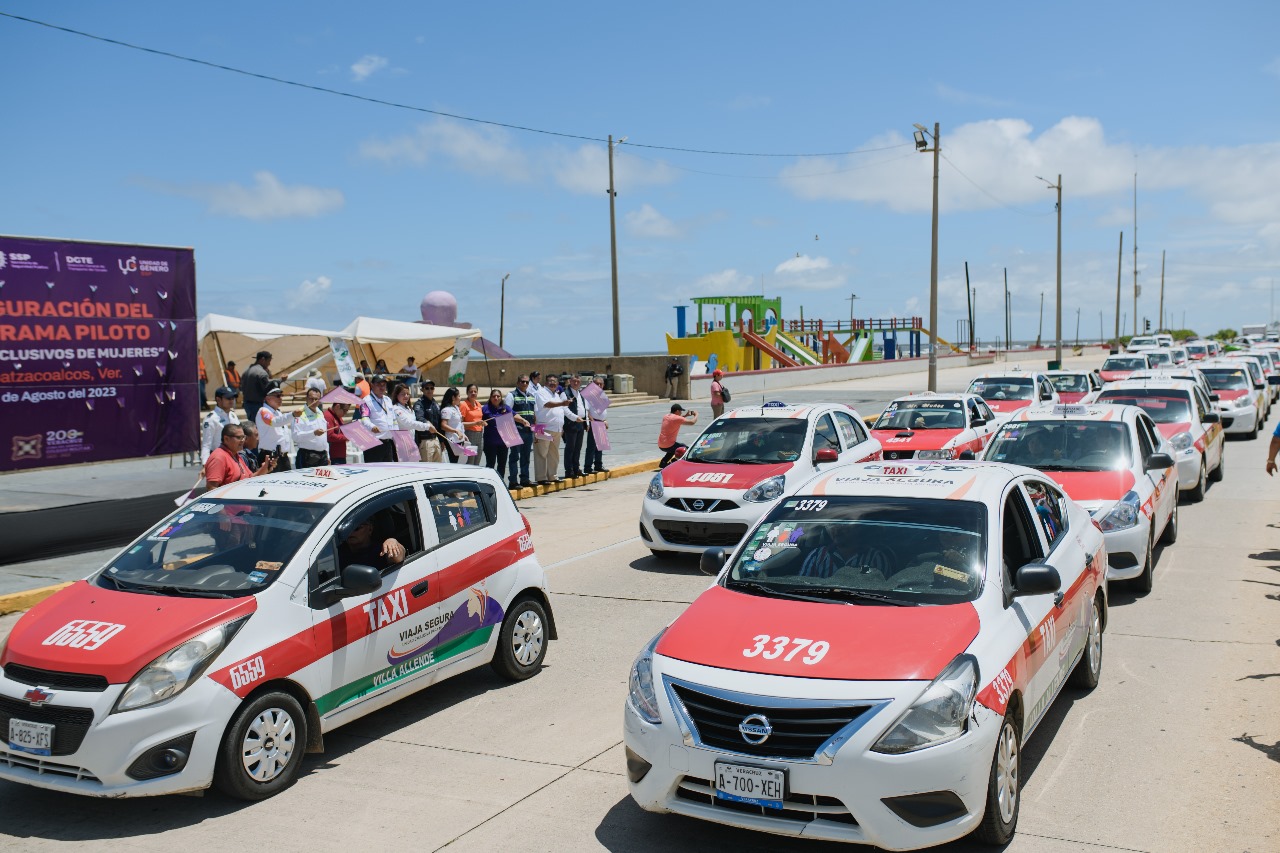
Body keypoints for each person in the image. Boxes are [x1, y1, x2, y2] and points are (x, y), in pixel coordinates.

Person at [205, 423, 274, 489]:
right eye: (239, 437)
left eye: (243, 437)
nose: (243, 440)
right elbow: (212, 488)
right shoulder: (218, 457)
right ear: (226, 439)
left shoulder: (235, 455)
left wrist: (265, 469)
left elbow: (249, 478)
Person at [534, 374, 571, 483]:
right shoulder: (541, 392)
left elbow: (559, 411)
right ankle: (541, 478)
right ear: (545, 383)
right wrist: (562, 403)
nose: (552, 383)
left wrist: (561, 426)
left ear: (558, 384)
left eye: (554, 382)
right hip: (543, 427)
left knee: (554, 454)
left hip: (556, 429)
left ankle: (552, 476)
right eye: (550, 381)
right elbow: (547, 404)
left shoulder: (556, 395)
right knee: (541, 453)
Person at [504, 375, 537, 489]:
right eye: (522, 382)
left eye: (527, 382)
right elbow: (506, 413)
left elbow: (534, 414)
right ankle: (513, 481)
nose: (524, 384)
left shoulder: (532, 396)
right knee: (514, 457)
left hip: (528, 432)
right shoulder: (511, 395)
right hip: (515, 431)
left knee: (526, 456)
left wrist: (535, 430)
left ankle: (525, 479)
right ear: (518, 382)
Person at [391, 382, 437, 459]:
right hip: (402, 443)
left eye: (407, 394)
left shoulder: (409, 408)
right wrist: (427, 426)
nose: (406, 396)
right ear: (397, 395)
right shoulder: (396, 409)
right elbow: (408, 423)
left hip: (411, 441)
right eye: (403, 394)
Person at [338, 517, 405, 570]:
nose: (350, 532)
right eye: (346, 530)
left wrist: (393, 542)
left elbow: (399, 558)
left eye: (356, 528)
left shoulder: (381, 550)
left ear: (370, 529)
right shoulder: (336, 552)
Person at [255, 387, 297, 472]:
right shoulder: (263, 411)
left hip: (283, 457)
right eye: (277, 396)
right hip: (270, 456)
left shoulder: (277, 412)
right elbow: (274, 422)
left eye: (281, 395)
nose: (280, 398)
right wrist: (292, 414)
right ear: (268, 398)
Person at [200, 386, 241, 465]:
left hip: (235, 458)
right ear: (218, 399)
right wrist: (205, 464)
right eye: (228, 398)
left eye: (233, 398)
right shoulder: (211, 419)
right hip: (220, 460)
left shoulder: (233, 415)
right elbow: (206, 445)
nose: (231, 400)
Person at [360, 375, 396, 462]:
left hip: (388, 443)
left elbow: (393, 419)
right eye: (379, 385)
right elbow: (364, 419)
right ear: (372, 385)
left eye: (383, 385)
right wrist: (372, 426)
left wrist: (397, 435)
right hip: (374, 444)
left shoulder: (388, 400)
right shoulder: (366, 401)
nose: (382, 387)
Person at [293, 387, 330, 468]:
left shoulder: (320, 412)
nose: (314, 401)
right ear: (306, 399)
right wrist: (313, 433)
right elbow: (296, 437)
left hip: (323, 456)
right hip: (307, 456)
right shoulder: (299, 413)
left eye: (316, 399)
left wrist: (328, 454)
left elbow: (324, 436)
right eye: (311, 399)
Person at [482, 389, 513, 473]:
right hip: (490, 443)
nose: (496, 398)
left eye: (498, 396)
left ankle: (500, 483)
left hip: (503, 442)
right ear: (490, 398)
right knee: (490, 464)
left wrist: (523, 421)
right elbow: (478, 420)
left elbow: (514, 415)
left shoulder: (506, 408)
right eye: (493, 396)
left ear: (501, 398)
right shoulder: (485, 408)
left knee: (502, 465)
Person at [413, 379, 445, 462]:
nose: (429, 390)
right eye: (427, 388)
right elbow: (419, 418)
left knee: (438, 469)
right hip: (425, 441)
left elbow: (439, 423)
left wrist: (441, 441)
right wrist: (427, 423)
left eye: (432, 388)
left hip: (436, 440)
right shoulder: (419, 404)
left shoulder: (435, 403)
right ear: (422, 390)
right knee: (426, 468)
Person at [561, 375, 587, 478]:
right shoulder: (565, 393)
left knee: (578, 448)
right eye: (574, 381)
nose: (576, 383)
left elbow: (584, 408)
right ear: (570, 382)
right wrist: (574, 417)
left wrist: (586, 423)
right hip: (571, 424)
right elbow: (564, 409)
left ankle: (576, 468)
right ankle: (569, 470)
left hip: (580, 424)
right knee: (570, 448)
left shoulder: (580, 394)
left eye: (578, 381)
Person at [658, 404, 699, 468]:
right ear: (677, 411)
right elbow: (692, 422)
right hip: (669, 445)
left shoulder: (666, 416)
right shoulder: (676, 418)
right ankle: (674, 462)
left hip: (661, 445)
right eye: (680, 411)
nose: (681, 413)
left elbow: (677, 419)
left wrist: (686, 415)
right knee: (685, 449)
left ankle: (663, 462)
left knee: (673, 449)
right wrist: (696, 414)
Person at [583, 376, 609, 475]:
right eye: (596, 384)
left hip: (601, 422)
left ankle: (598, 465)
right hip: (594, 422)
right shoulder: (588, 395)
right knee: (591, 446)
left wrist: (605, 420)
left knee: (600, 446)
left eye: (600, 384)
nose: (598, 386)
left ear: (603, 385)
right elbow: (587, 410)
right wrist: (592, 421)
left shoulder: (602, 395)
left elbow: (603, 411)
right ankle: (588, 467)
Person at [241, 351, 274, 423]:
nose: (269, 364)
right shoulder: (261, 372)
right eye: (269, 361)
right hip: (257, 405)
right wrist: (280, 380)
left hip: (248, 404)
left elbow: (241, 387)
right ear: (262, 360)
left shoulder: (247, 371)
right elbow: (268, 389)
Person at [438, 387, 468, 462]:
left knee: (460, 461)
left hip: (459, 439)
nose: (460, 398)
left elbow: (459, 424)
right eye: (459, 396)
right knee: (454, 461)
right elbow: (443, 425)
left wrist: (463, 434)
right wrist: (456, 431)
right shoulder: (447, 410)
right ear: (453, 397)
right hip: (452, 440)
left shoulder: (456, 408)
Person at [459, 384, 485, 466]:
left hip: (480, 435)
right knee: (470, 462)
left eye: (475, 391)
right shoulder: (464, 405)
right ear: (467, 393)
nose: (473, 393)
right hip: (469, 435)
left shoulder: (478, 404)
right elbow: (460, 424)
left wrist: (482, 423)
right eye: (471, 391)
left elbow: (479, 419)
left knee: (477, 462)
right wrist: (475, 423)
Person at [325, 400, 351, 464]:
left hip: (340, 454)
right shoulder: (328, 416)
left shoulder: (338, 417)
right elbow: (330, 436)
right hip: (334, 456)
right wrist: (346, 437)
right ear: (337, 406)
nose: (345, 413)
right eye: (345, 410)